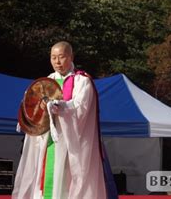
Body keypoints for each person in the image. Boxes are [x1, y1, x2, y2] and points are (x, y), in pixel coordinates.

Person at [13, 41, 109, 199]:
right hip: (47, 140)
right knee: (43, 178)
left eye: (61, 57)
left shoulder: (81, 81)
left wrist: (58, 107)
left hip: (69, 141)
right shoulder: (46, 81)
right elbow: (32, 103)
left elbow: (80, 108)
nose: (57, 62)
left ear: (71, 57)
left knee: (66, 180)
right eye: (53, 57)